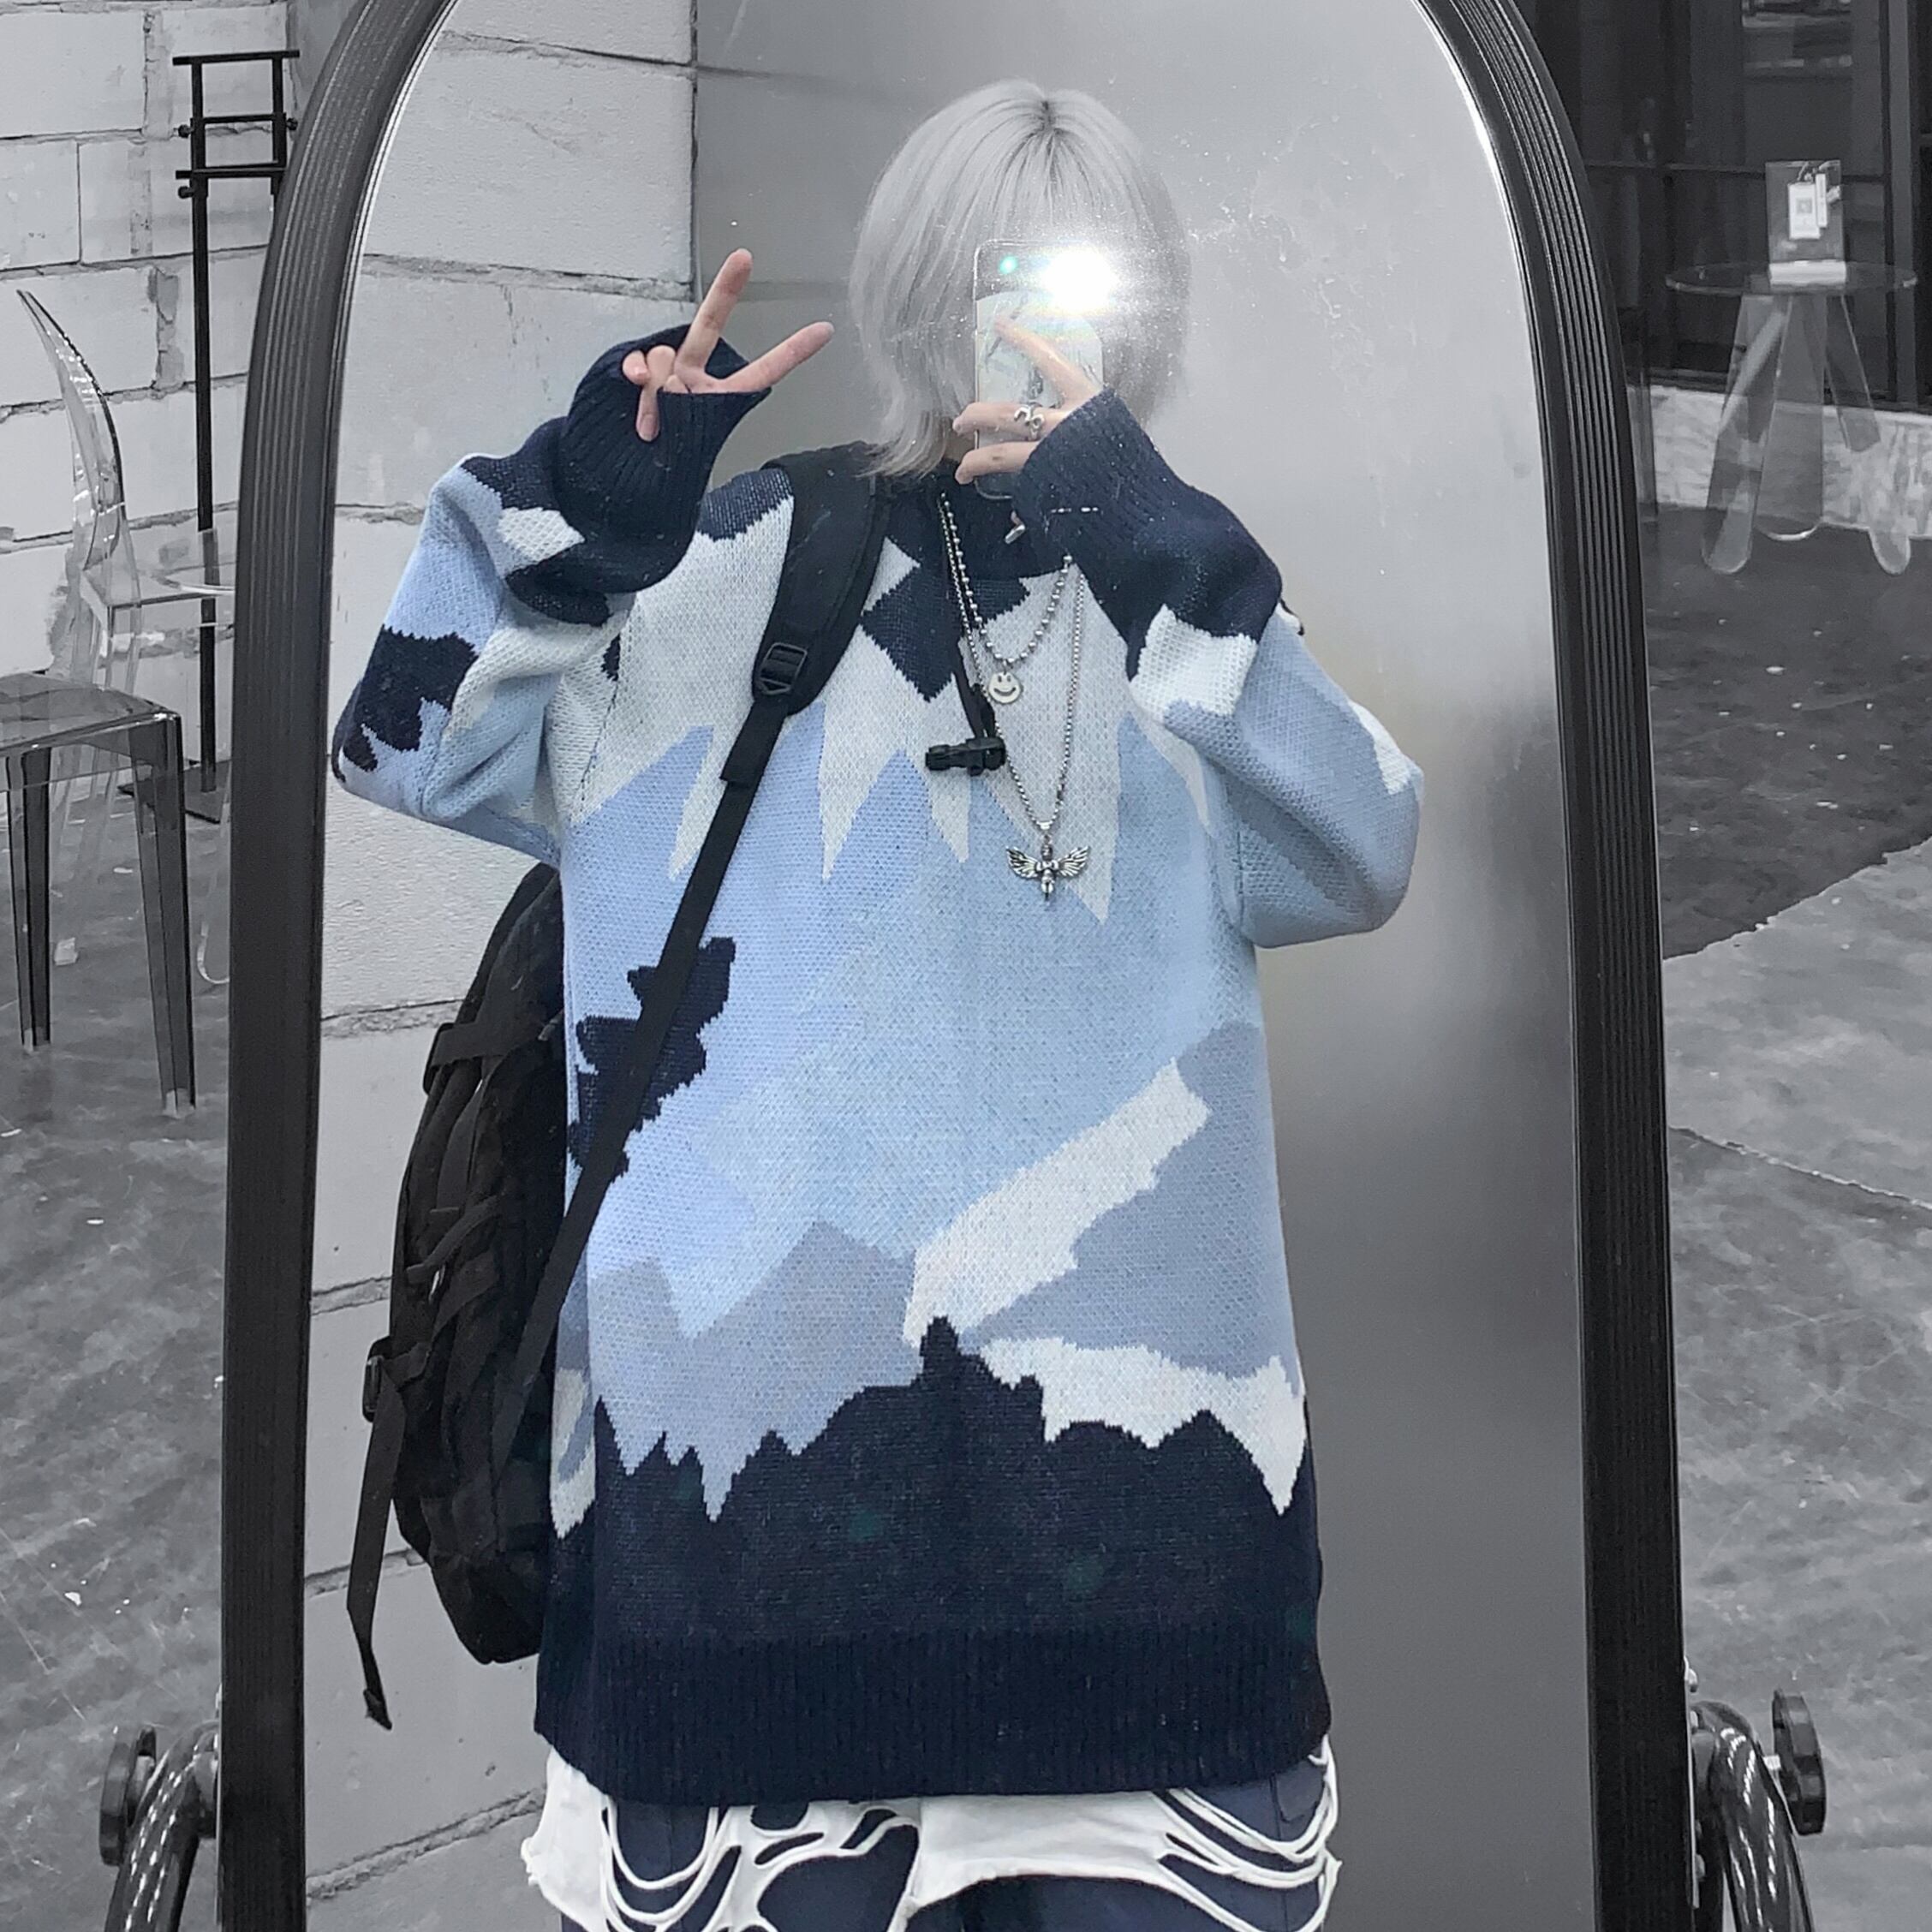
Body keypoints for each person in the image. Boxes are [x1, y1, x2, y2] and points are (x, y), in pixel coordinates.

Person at [332, 77, 1422, 1932]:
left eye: (1082, 276)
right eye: (1000, 272)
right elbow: (401, 740)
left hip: (1133, 1609)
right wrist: (583, 501)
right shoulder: (705, 574)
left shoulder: (1183, 616)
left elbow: (1366, 844)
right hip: (751, 1599)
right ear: (927, 294)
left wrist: (1154, 536)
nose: (1043, 318)